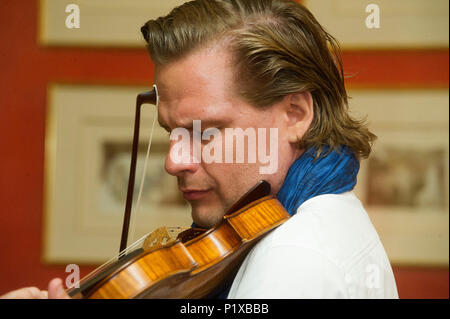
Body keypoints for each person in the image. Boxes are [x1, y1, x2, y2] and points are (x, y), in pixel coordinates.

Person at [1, 0, 398, 299]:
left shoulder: (295, 259)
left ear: (294, 113)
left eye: (206, 132)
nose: (174, 161)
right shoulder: (321, 219)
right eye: (171, 132)